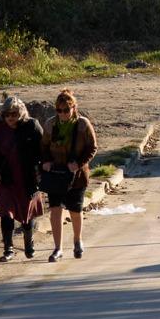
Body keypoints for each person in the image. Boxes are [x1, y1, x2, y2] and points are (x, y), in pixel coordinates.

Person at [0, 96, 44, 261]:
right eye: (7, 114)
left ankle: (29, 245)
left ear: (21, 113)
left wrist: (42, 169)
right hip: (4, 177)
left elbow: (43, 149)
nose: (10, 117)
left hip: (26, 177)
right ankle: (8, 249)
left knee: (26, 214)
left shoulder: (31, 126)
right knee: (6, 212)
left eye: (14, 114)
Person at [41, 89, 97, 261]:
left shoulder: (82, 124)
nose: (63, 114)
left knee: (75, 210)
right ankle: (57, 248)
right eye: (59, 110)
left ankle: (77, 239)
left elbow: (92, 147)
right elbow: (43, 147)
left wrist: (78, 164)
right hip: (56, 174)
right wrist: (46, 162)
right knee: (55, 210)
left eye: (66, 110)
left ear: (74, 108)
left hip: (76, 176)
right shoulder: (51, 125)